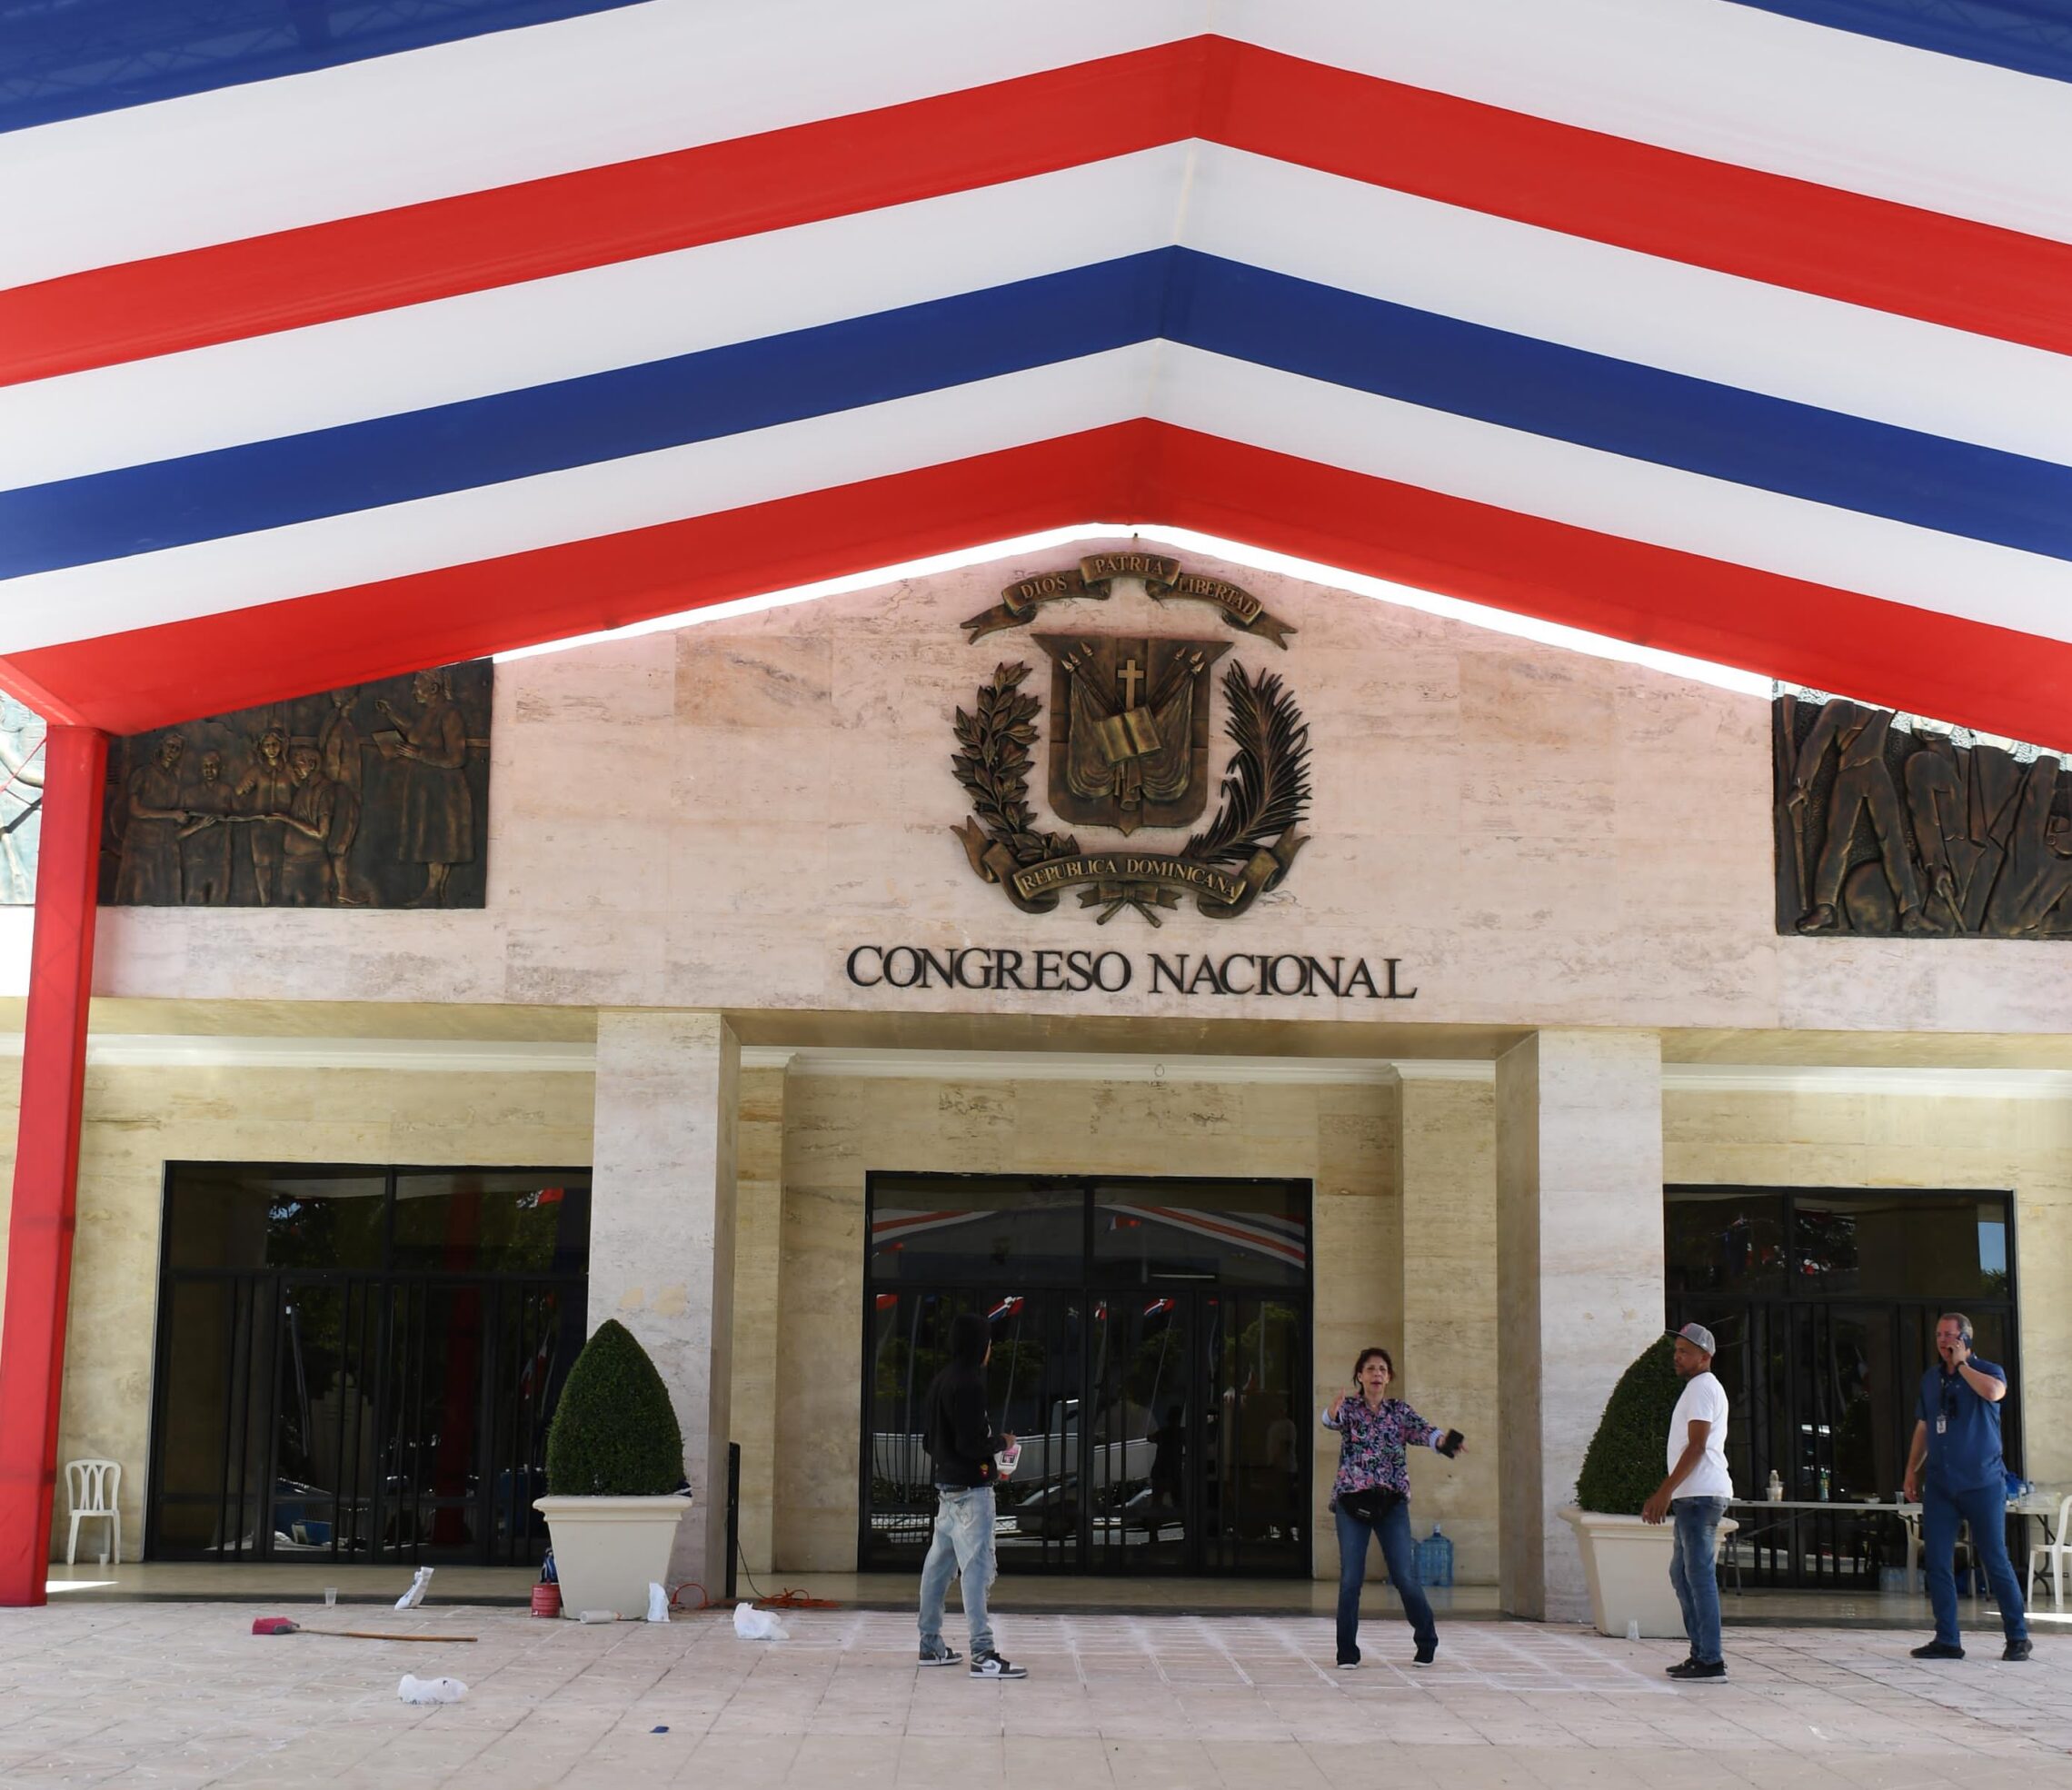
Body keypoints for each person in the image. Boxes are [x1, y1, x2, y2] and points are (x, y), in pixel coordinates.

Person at [1322, 1346, 1465, 1668]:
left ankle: (1426, 1640)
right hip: (1352, 1501)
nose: (1377, 1374)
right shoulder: (1350, 1409)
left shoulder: (1399, 1411)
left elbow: (1426, 1432)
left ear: (1388, 1378)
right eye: (1370, 1369)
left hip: (1391, 1503)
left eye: (1382, 1370)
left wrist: (1446, 1442)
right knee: (1351, 1579)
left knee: (1404, 1576)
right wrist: (1331, 1412)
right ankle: (1347, 1652)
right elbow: (1331, 1420)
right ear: (1360, 1376)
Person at [1903, 1313, 2031, 1662]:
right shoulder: (1931, 1379)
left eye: (1950, 1335)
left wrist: (1962, 1366)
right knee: (1938, 1561)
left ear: (1966, 1339)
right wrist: (1911, 1470)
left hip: (1982, 1483)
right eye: (1939, 1335)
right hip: (1941, 1484)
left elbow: (1994, 1393)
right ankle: (1947, 1639)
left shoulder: (1988, 1371)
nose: (1943, 1341)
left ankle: (2017, 1636)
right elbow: (1924, 1427)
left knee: (1995, 1558)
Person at [916, 1311, 1025, 1680]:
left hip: (947, 1490)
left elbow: (930, 1441)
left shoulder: (941, 1381)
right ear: (980, 1345)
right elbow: (971, 1443)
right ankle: (984, 1654)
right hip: (972, 1493)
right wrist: (1002, 1443)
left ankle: (930, 1645)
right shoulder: (970, 1384)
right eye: (989, 1343)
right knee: (977, 1570)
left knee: (937, 1570)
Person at [1642, 1323, 1735, 1681]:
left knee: (1698, 1577)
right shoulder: (1699, 1388)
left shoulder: (1701, 1388)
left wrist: (1663, 1491)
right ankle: (1701, 1654)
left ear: (1705, 1356)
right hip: (1693, 1496)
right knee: (1682, 1574)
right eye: (1677, 1350)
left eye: (1685, 1351)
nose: (1677, 1357)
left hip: (1700, 1496)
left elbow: (1697, 1446)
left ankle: (1710, 1659)